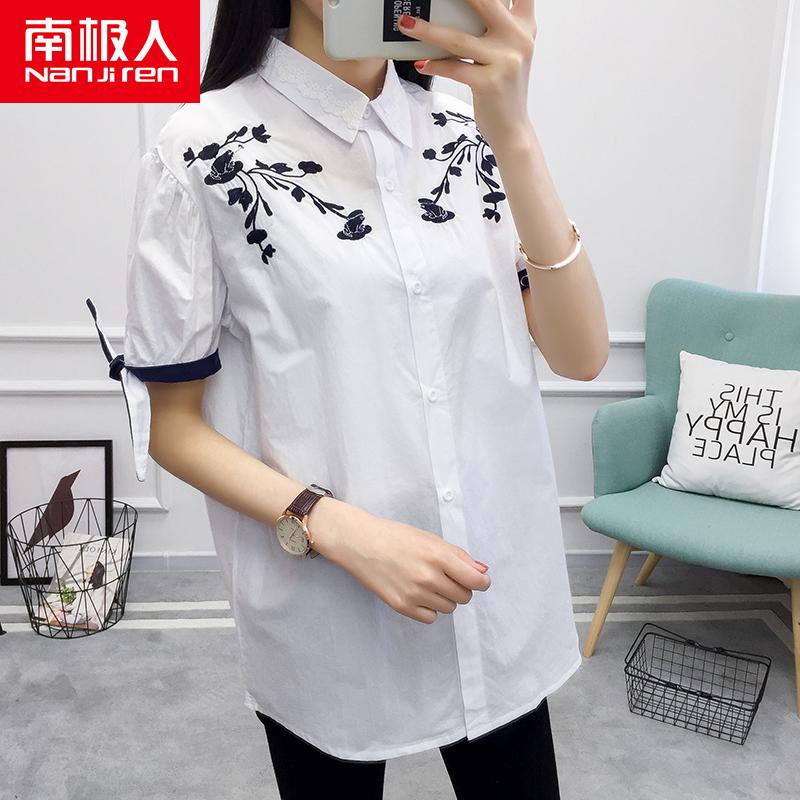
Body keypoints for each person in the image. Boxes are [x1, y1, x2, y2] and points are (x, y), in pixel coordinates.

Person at [86, 0, 608, 797]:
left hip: (491, 593)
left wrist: (516, 133)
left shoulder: (471, 133)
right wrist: (335, 527)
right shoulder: (200, 151)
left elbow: (581, 354)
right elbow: (174, 427)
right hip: (325, 610)